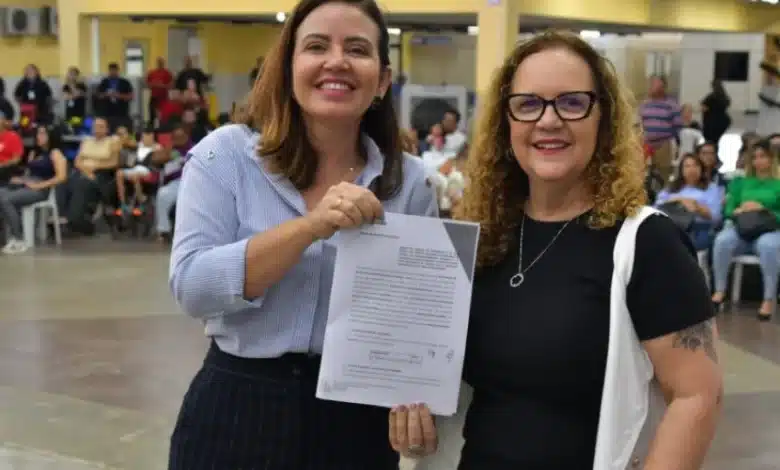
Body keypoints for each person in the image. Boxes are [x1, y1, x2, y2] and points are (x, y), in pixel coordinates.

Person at [390, 30, 721, 469]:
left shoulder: (646, 243)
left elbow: (697, 395)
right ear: (506, 123)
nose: (548, 120)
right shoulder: (486, 239)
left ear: (602, 118)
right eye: (528, 104)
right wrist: (418, 423)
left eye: (572, 102)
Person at [167, 0, 437, 469]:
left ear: (382, 81)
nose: (337, 61)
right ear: (289, 67)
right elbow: (193, 288)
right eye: (316, 46)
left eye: (358, 49)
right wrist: (311, 227)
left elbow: (418, 319)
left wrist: (419, 401)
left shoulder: (410, 182)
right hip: (237, 408)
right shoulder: (225, 157)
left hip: (357, 421)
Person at [711, 140, 780, 320]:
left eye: (763, 156)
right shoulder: (740, 182)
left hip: (770, 229)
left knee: (768, 245)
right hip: (743, 228)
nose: (758, 161)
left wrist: (764, 209)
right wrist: (738, 210)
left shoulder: (778, 183)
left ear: (772, 159)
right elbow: (728, 209)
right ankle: (719, 291)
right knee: (722, 241)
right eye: (755, 157)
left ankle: (768, 298)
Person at [0, 126, 67, 254]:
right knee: (1, 192)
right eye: (38, 134)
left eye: (43, 134)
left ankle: (18, 239)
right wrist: (22, 179)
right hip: (28, 183)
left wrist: (40, 185)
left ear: (50, 135)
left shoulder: (55, 153)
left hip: (42, 189)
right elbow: (30, 172)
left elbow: (61, 177)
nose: (38, 137)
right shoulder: (35, 152)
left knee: (6, 200)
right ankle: (10, 235)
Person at [654, 153, 723, 251]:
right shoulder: (672, 187)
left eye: (695, 165)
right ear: (681, 170)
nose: (692, 170)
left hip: (698, 228)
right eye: (687, 166)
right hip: (672, 226)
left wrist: (697, 207)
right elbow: (657, 206)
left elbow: (716, 218)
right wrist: (679, 200)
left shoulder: (711, 188)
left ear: (701, 169)